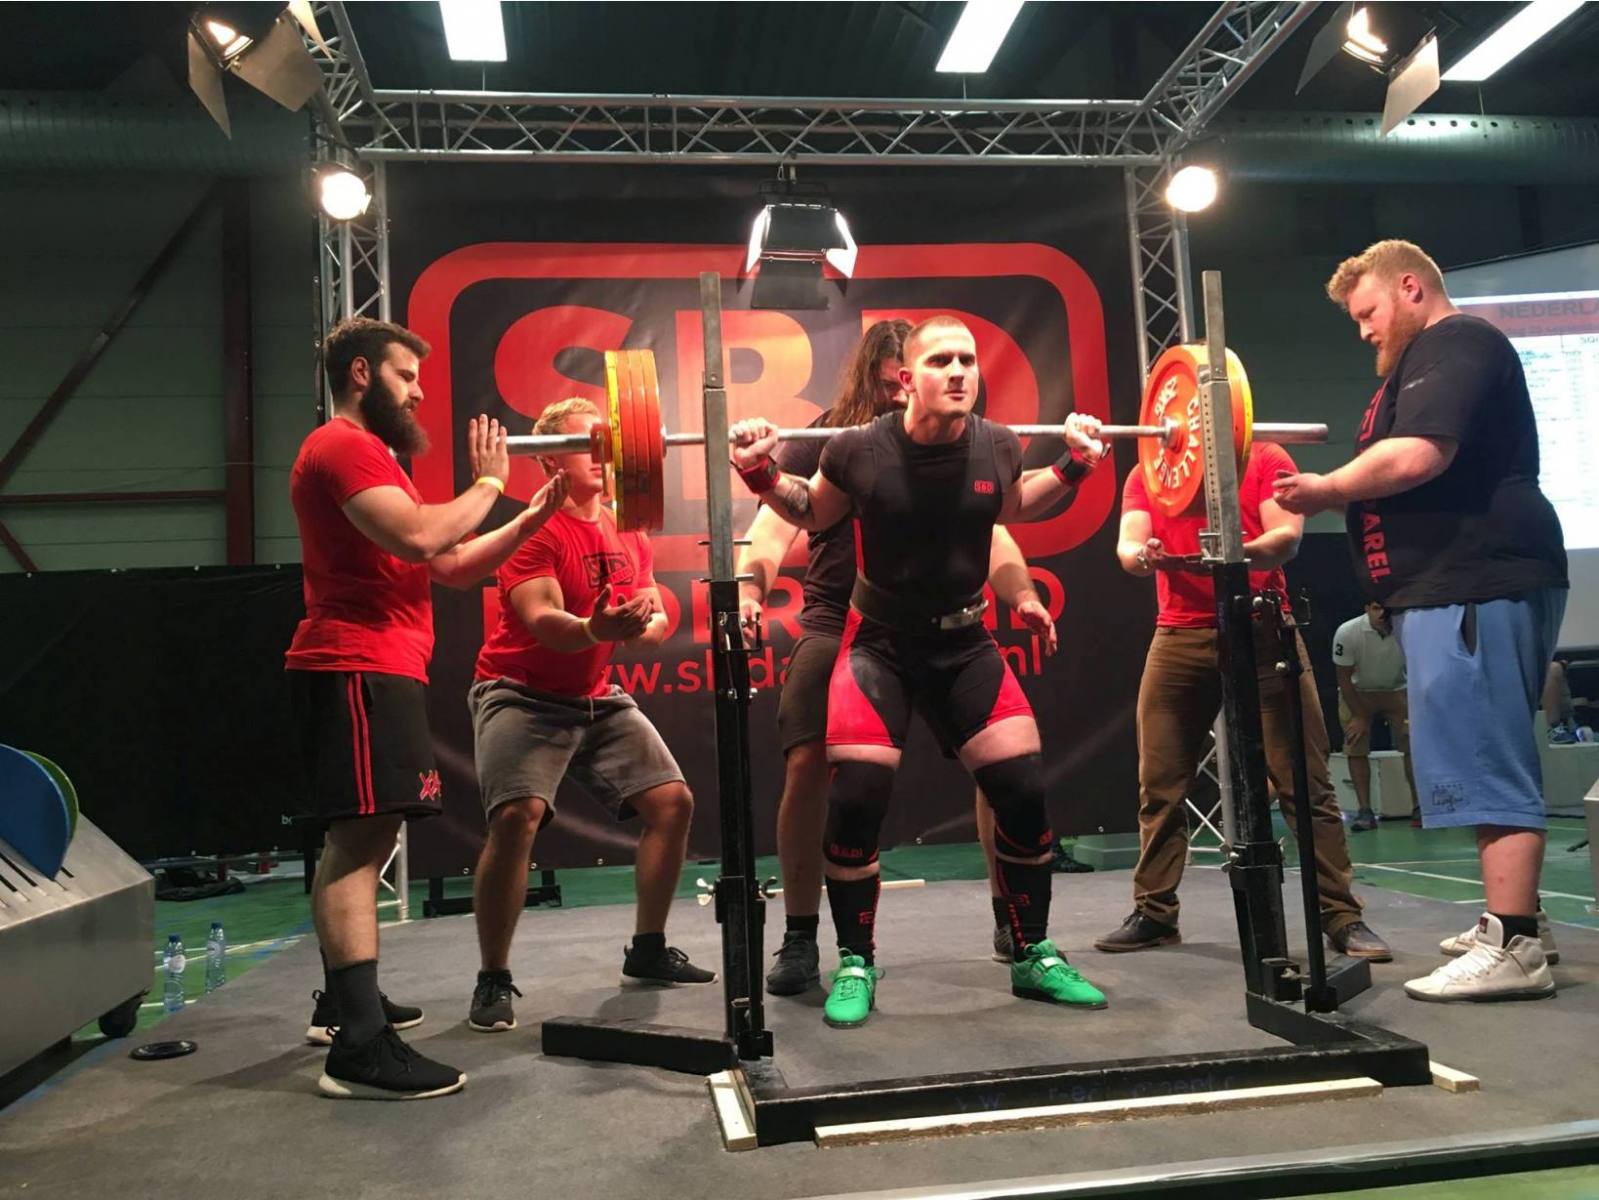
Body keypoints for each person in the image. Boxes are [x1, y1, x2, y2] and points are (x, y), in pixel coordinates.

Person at [730, 314, 1110, 1029]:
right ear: (903, 378)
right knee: (846, 789)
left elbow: (1008, 511)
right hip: (863, 631)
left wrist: (1075, 465)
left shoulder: (995, 443)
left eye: (967, 359)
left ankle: (1028, 947)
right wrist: (756, 473)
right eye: (939, 362)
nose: (958, 372)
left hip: (961, 639)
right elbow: (796, 516)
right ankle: (834, 951)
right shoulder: (847, 444)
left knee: (1019, 783)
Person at [1274, 238, 1568, 1001]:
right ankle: (1518, 921)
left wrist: (1323, 489)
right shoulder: (1420, 361)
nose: (1363, 330)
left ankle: (1513, 945)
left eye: (1368, 311)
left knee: (1488, 759)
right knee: (1477, 755)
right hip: (1449, 588)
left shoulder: (1455, 340)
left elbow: (1417, 456)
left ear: (1409, 287)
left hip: (1475, 580)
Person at [287, 316, 566, 1099]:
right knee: (359, 842)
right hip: (354, 663)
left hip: (382, 664)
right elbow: (418, 538)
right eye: (405, 376)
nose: (417, 393)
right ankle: (359, 1048)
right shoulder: (340, 445)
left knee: (363, 839)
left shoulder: (377, 458)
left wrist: (528, 519)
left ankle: (345, 1004)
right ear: (361, 374)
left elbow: (449, 565)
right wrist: (488, 483)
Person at [466, 397, 713, 1034]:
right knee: (517, 817)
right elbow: (545, 622)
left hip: (595, 693)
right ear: (551, 461)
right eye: (587, 445)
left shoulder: (627, 527)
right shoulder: (535, 530)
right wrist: (595, 628)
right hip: (519, 692)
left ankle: (648, 950)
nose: (604, 456)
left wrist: (642, 627)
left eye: (607, 442)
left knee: (673, 803)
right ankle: (493, 976)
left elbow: (655, 615)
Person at [1094, 442, 1392, 962]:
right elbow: (1129, 549)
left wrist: (1225, 556)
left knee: (1306, 782)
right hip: (1180, 634)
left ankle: (1341, 915)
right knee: (1159, 783)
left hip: (1262, 625)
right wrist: (1147, 556)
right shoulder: (1149, 473)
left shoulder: (1266, 459)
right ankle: (1155, 912)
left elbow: (1285, 541)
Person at [1333, 601, 1418, 829]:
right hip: (1357, 692)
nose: (1382, 614)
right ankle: (1364, 811)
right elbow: (1343, 678)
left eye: (1386, 609)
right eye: (1377, 608)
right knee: (1355, 743)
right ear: (1367, 609)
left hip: (1398, 689)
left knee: (1413, 743)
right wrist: (1358, 716)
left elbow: (1418, 667)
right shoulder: (1347, 632)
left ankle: (1420, 807)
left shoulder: (1407, 628)